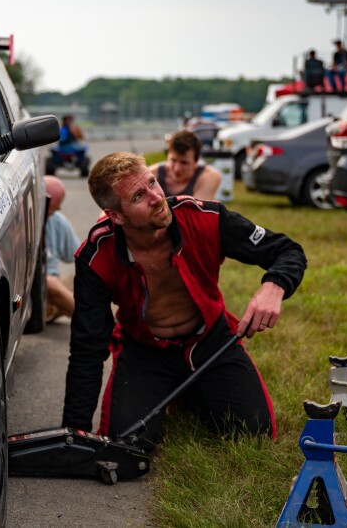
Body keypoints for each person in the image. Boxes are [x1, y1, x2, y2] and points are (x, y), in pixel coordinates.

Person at [62, 152, 307, 449]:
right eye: (139, 195)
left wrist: (274, 286)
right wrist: (74, 433)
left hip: (212, 342)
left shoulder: (205, 217)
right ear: (116, 215)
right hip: (145, 351)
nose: (156, 197)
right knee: (125, 448)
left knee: (253, 435)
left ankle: (190, 392)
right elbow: (87, 347)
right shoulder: (95, 256)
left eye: (152, 182)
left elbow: (287, 250)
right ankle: (181, 390)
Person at [43, 176, 81, 322]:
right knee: (49, 282)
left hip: (55, 288)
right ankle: (97, 320)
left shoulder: (58, 220)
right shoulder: (20, 218)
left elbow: (77, 255)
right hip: (35, 290)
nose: (59, 208)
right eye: (56, 204)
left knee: (83, 278)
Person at [149, 130, 222, 200]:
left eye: (184, 163)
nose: (177, 169)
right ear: (167, 155)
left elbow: (196, 212)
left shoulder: (209, 176)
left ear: (196, 161)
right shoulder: (152, 174)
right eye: (173, 160)